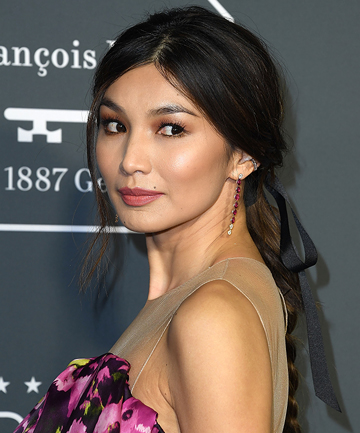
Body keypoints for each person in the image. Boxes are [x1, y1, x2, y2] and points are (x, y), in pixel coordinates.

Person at [14, 6, 339, 433]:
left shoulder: (213, 315)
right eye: (115, 125)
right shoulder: (193, 299)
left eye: (170, 128)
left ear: (244, 156)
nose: (130, 161)